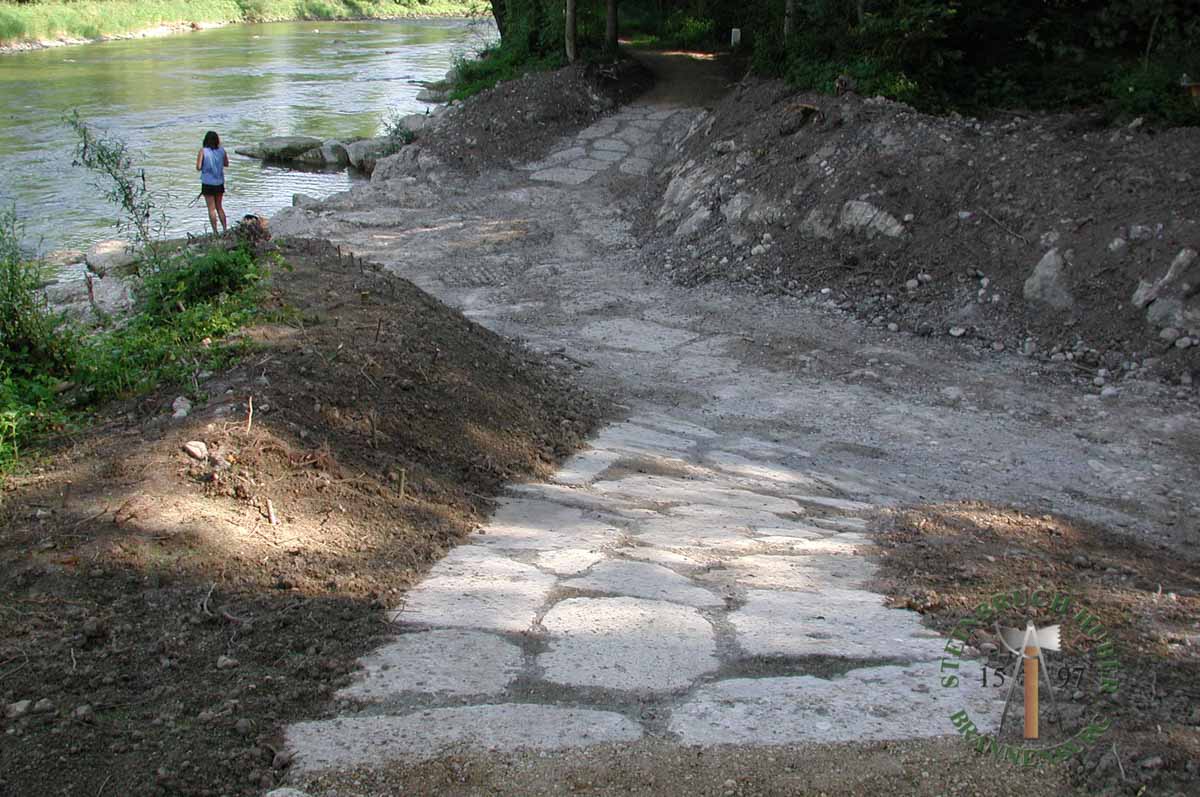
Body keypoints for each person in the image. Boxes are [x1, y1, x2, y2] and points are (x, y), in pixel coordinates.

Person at [196, 130, 229, 235]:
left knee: (211, 209)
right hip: (219, 183)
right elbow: (226, 164)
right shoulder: (222, 151)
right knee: (219, 207)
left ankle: (215, 232)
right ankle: (225, 229)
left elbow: (198, 167)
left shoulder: (203, 151)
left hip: (207, 183)